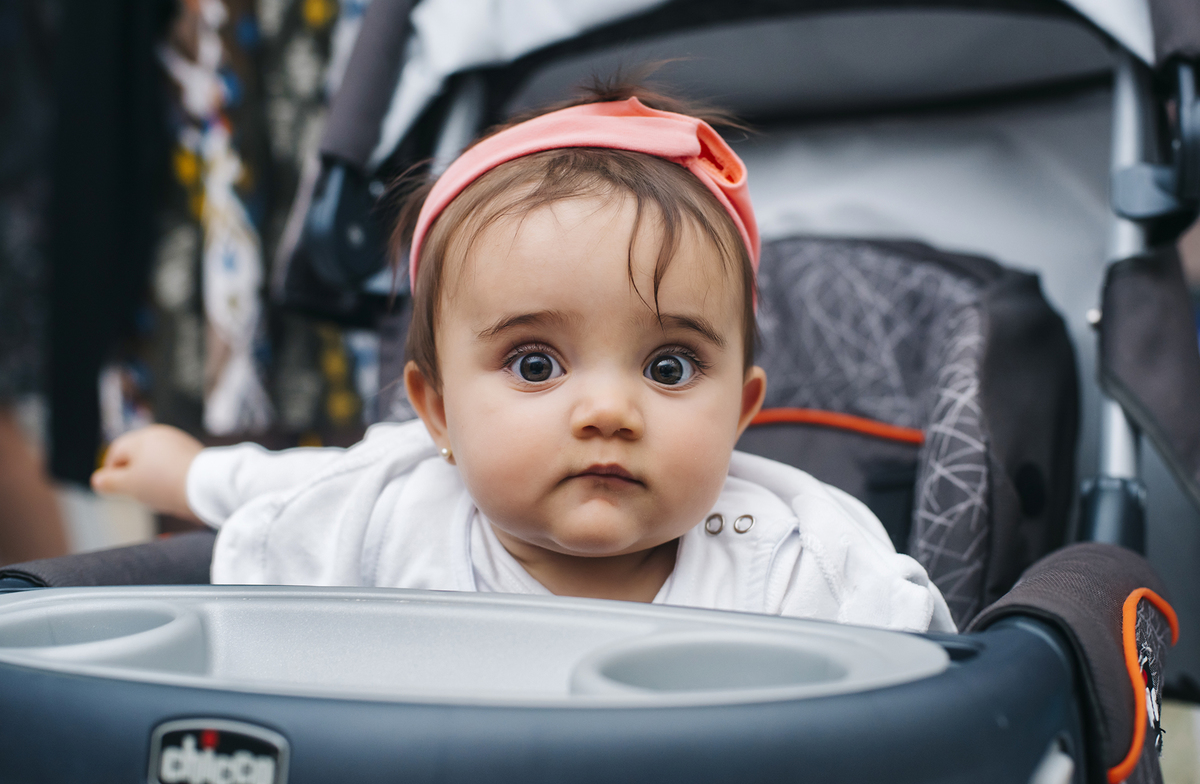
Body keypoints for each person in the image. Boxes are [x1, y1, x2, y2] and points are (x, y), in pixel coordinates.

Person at [92, 85, 955, 633]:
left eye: (669, 367)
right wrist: (189, 474)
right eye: (536, 365)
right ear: (434, 410)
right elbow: (284, 490)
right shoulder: (385, 514)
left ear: (741, 408)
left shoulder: (793, 559)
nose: (608, 410)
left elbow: (924, 710)